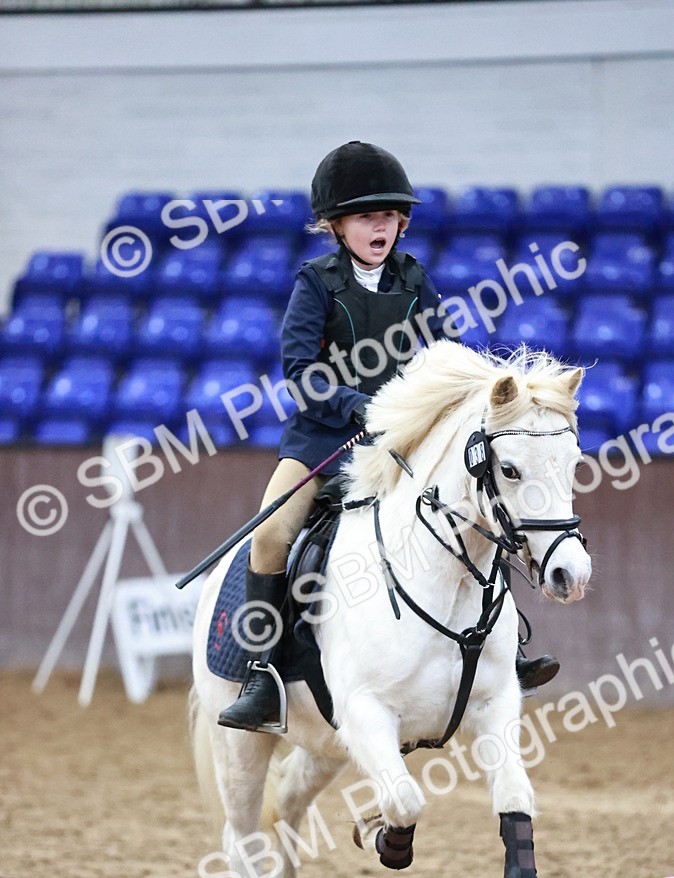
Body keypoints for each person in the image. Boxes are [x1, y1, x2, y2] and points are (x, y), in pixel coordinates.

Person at [218, 141, 559, 734]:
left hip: (404, 443)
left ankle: (510, 649)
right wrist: (359, 407)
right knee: (272, 535)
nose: (379, 226)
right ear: (336, 225)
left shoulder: (414, 278)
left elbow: (446, 356)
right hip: (323, 442)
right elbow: (301, 372)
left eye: (387, 216)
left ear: (401, 222)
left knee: (476, 506)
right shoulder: (315, 283)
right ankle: (261, 675)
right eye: (363, 216)